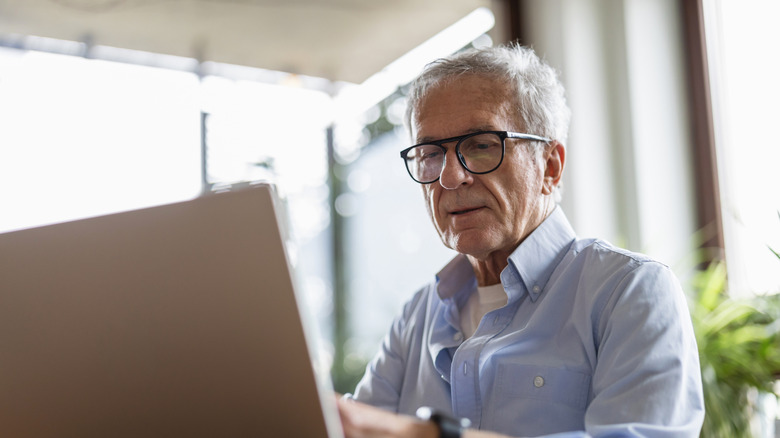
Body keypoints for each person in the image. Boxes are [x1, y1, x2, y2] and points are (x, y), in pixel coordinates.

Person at [336, 43, 704, 437]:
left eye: (480, 146)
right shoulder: (416, 316)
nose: (450, 177)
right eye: (430, 153)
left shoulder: (628, 291)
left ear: (551, 166)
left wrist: (428, 435)